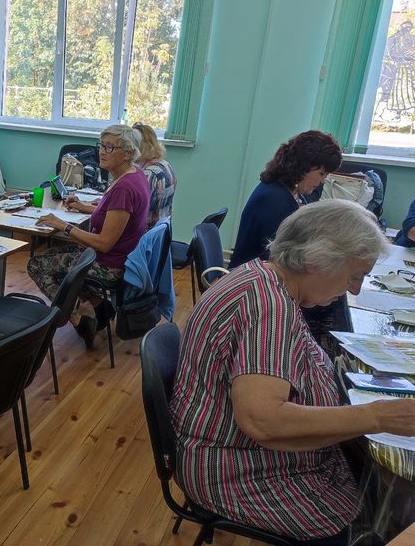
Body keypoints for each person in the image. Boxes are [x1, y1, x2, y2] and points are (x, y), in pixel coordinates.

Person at [172, 200, 415, 545]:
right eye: (354, 276)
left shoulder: (263, 277)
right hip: (236, 470)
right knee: (377, 508)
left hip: (236, 453)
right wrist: (376, 416)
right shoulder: (268, 307)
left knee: (375, 478)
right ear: (316, 261)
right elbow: (264, 422)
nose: (355, 290)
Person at [27, 125, 150, 347]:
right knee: (59, 259)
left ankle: (79, 320)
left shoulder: (124, 188)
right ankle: (99, 305)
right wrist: (84, 207)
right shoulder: (134, 175)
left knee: (37, 265)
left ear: (128, 153)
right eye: (101, 145)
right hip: (120, 257)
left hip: (110, 264)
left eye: (110, 147)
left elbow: (104, 243)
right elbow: (115, 215)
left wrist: (63, 225)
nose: (102, 152)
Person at [229, 130, 343, 269]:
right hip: (253, 281)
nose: (323, 180)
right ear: (304, 166)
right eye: (321, 173)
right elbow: (278, 258)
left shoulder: (291, 192)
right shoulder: (274, 200)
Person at [133, 122, 176, 229]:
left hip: (145, 234)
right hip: (161, 233)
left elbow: (132, 213)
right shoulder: (165, 165)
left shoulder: (149, 174)